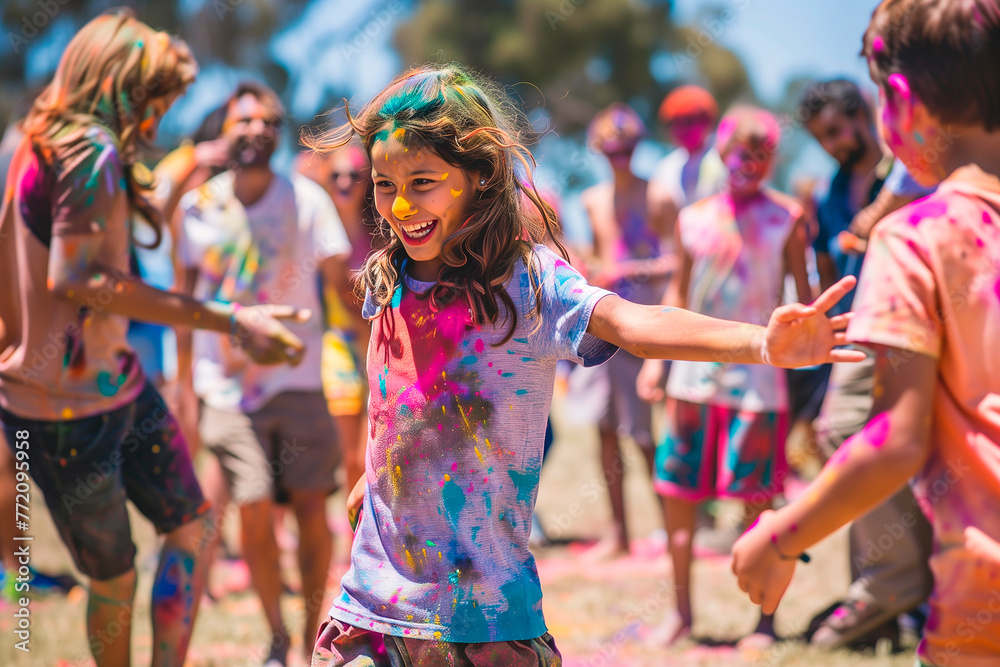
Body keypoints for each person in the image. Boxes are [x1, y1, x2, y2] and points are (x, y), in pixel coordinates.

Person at [303, 63, 862, 667]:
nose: (401, 203)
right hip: (372, 610)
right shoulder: (389, 277)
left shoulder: (526, 281)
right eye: (385, 184)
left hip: (483, 620)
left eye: (423, 181)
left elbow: (633, 324)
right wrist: (378, 470)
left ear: (480, 178)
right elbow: (395, 391)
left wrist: (761, 343)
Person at [0, 11, 306, 667]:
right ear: (121, 86)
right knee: (114, 575)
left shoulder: (36, 141)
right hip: (62, 410)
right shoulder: (87, 151)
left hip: (118, 384)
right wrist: (227, 317)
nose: (159, 119)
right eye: (156, 101)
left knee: (191, 526)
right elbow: (79, 277)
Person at [732, 2, 1000, 666]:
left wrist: (780, 536)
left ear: (901, 101)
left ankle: (886, 592)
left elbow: (893, 438)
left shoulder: (915, 234)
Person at [177, 81, 353, 666]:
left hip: (300, 380)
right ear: (223, 130)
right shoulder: (197, 207)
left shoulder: (307, 199)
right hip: (225, 387)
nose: (256, 129)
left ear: (278, 135)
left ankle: (309, 642)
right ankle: (277, 632)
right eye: (243, 119)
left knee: (311, 511)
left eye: (268, 121)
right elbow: (178, 302)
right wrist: (181, 388)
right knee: (251, 505)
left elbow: (342, 292)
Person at [635, 106, 811, 649]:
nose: (750, 164)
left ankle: (765, 620)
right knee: (679, 495)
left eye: (762, 154)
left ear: (773, 158)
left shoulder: (787, 217)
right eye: (740, 153)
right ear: (721, 153)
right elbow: (679, 296)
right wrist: (655, 359)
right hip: (693, 379)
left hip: (760, 383)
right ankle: (682, 614)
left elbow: (800, 295)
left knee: (760, 504)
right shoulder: (693, 220)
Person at [798, 78, 935, 647]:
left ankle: (895, 591)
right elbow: (830, 273)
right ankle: (888, 587)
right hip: (857, 334)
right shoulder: (830, 193)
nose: (831, 145)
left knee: (910, 455)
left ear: (863, 114)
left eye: (835, 130)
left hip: (918, 324)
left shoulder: (910, 168)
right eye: (820, 138)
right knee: (843, 439)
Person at [578, 103, 671, 559]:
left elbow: (679, 261)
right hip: (605, 324)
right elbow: (597, 259)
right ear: (599, 150)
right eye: (612, 150)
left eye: (627, 149)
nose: (620, 157)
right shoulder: (592, 201)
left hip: (645, 322)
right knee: (605, 429)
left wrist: (635, 268)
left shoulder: (658, 197)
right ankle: (620, 533)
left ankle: (673, 530)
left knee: (644, 435)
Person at [295, 140, 375, 496]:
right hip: (339, 347)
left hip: (379, 347)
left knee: (374, 451)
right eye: (336, 175)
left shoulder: (383, 234)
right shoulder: (315, 230)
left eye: (354, 175)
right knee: (350, 457)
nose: (344, 182)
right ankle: (354, 538)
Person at [647, 85, 726, 241]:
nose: (681, 129)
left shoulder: (724, 157)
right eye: (674, 123)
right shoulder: (665, 168)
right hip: (681, 247)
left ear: (708, 121)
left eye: (688, 121)